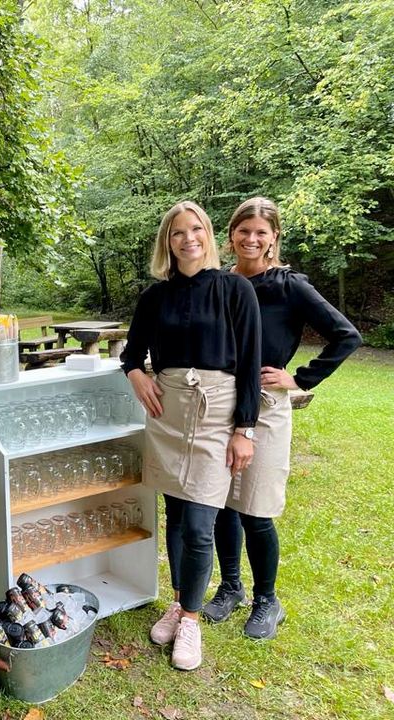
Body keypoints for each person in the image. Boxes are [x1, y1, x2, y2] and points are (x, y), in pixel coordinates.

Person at [201, 197, 362, 639]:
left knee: (254, 508)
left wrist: (299, 378)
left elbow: (346, 335)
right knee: (221, 505)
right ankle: (230, 587)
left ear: (274, 238)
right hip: (218, 404)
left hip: (266, 409)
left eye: (261, 233)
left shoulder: (289, 286)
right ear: (230, 234)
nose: (251, 239)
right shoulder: (218, 282)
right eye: (243, 231)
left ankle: (266, 600)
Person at [121, 200, 261, 671]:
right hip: (167, 411)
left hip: (217, 412)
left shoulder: (235, 289)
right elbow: (131, 353)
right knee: (176, 517)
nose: (188, 239)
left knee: (202, 525)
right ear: (168, 242)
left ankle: (192, 620)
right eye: (178, 232)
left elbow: (249, 365)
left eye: (196, 229)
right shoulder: (154, 297)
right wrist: (136, 375)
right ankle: (180, 602)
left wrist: (245, 429)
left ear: (208, 234)